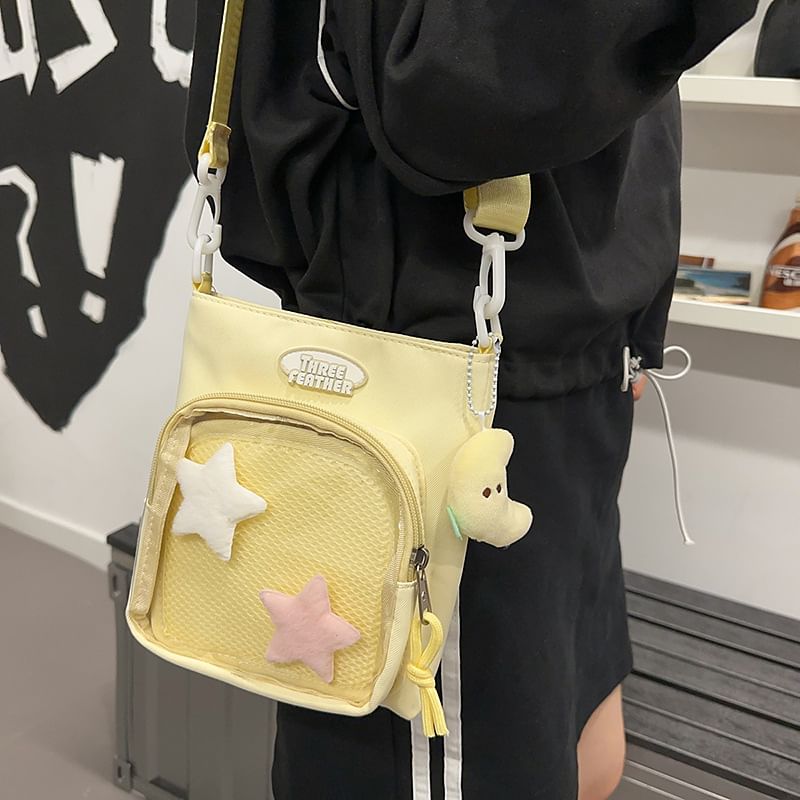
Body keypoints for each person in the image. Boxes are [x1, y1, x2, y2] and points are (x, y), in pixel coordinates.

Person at [185, 2, 757, 798]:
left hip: (540, 368)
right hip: (449, 386)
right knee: (478, 757)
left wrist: (631, 327)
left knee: (580, 747)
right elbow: (454, 85)